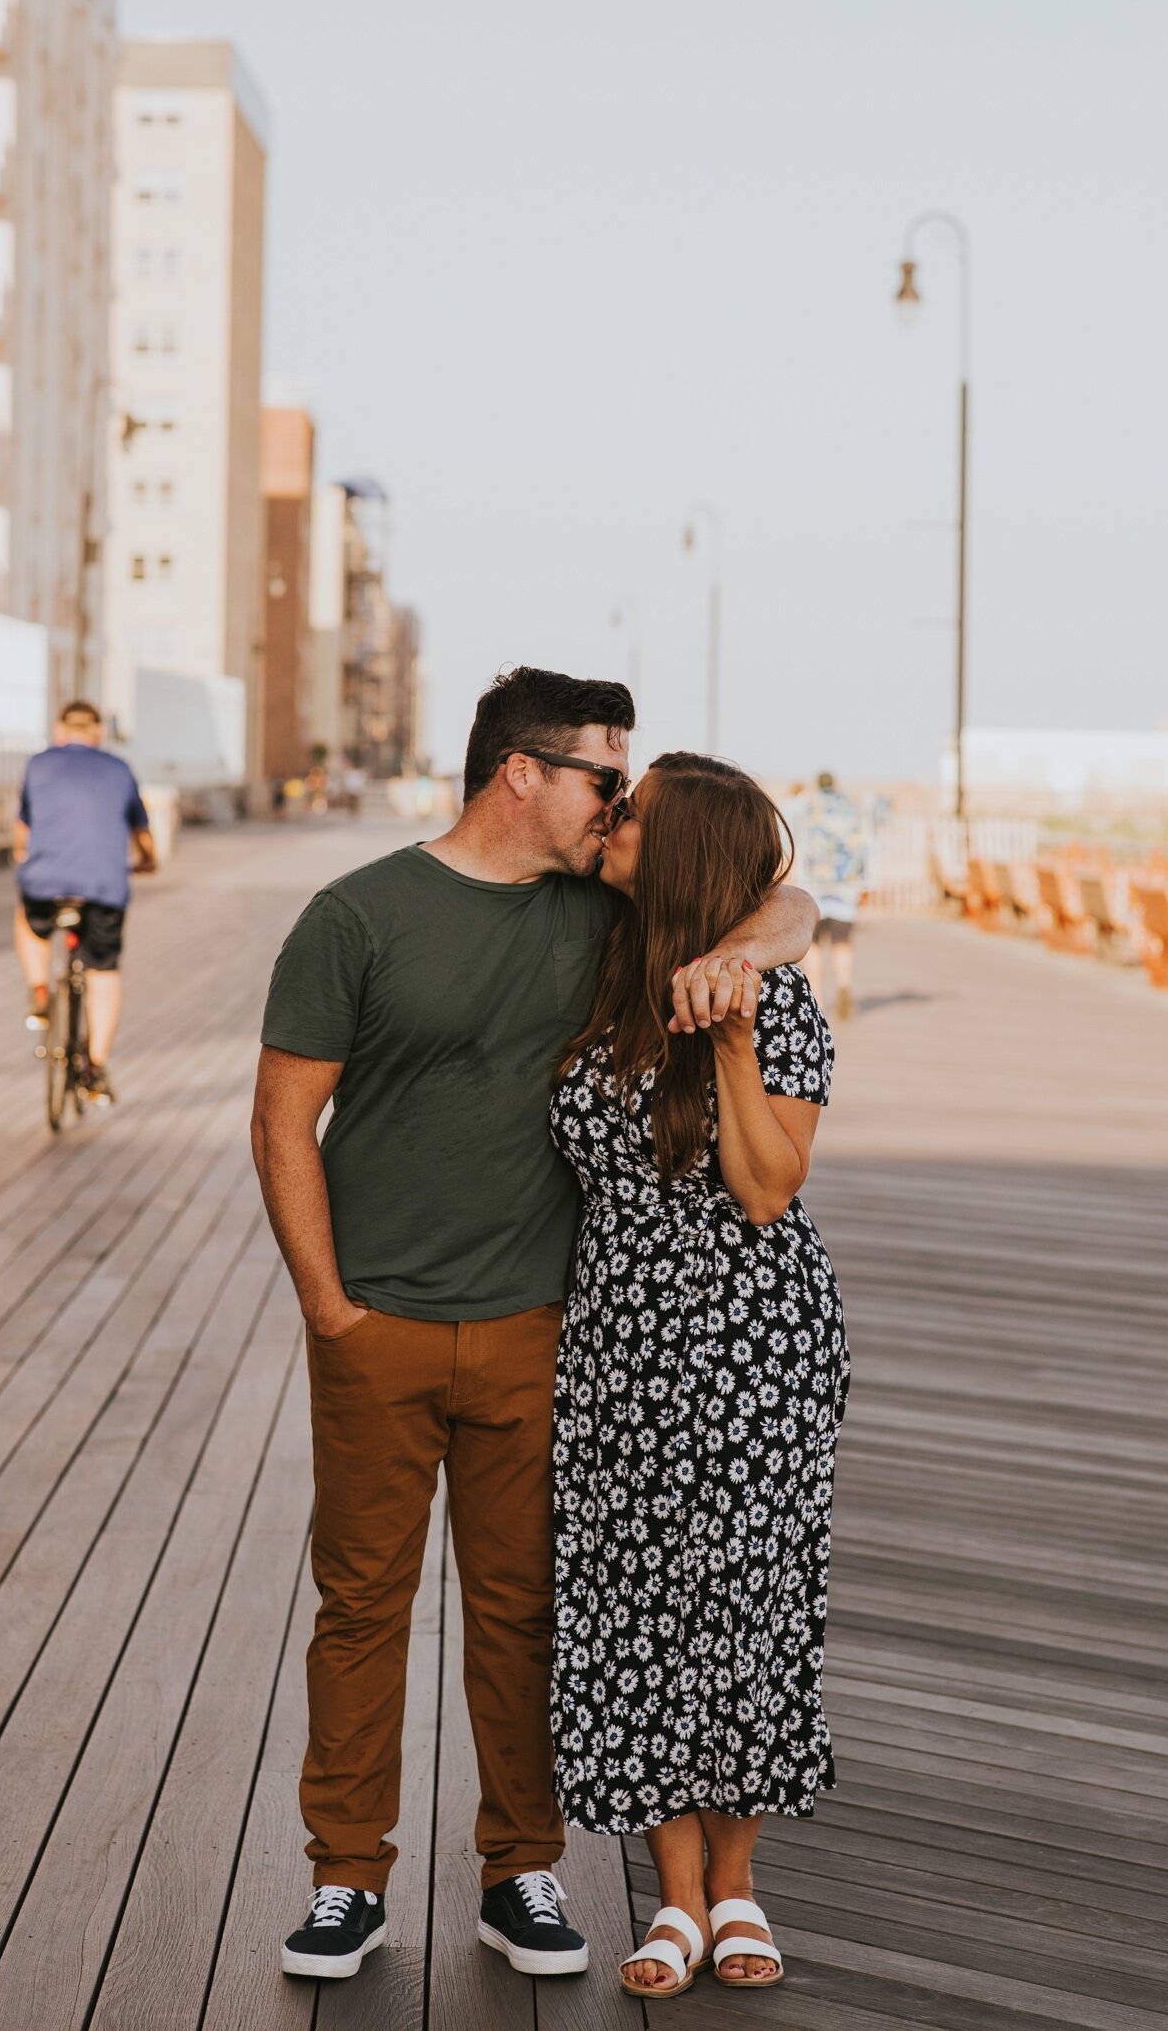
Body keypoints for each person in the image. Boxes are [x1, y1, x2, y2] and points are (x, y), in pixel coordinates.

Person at [251, 667, 817, 1985]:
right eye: (602, 780)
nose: (615, 804)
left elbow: (791, 896)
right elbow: (285, 1120)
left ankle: (523, 1867)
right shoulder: (358, 915)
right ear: (524, 770)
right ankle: (347, 1877)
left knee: (522, 1611)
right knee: (361, 1606)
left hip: (540, 1329)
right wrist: (328, 1303)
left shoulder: (602, 918)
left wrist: (745, 948)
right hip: (377, 1320)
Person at [550, 754, 848, 1997]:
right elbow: (796, 895)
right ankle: (671, 1898)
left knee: (747, 1611)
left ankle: (737, 1889)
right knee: (633, 1613)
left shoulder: (772, 1006)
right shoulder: (605, 967)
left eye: (637, 812)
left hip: (751, 1349)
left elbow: (771, 1190)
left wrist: (730, 1040)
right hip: (622, 1347)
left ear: (679, 852)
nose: (612, 820)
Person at [13, 700, 157, 1103]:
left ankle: (39, 991)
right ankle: (95, 1065)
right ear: (99, 733)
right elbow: (142, 831)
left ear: (60, 731)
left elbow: (23, 830)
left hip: (45, 881)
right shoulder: (119, 769)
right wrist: (148, 861)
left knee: (29, 919)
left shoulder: (38, 764)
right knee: (104, 973)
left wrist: (22, 855)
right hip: (104, 886)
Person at [797, 769, 870, 1020]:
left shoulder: (808, 807)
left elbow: (796, 844)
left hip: (814, 888)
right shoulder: (851, 808)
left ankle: (817, 999)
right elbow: (864, 845)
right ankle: (844, 983)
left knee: (814, 944)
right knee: (842, 941)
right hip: (845, 886)